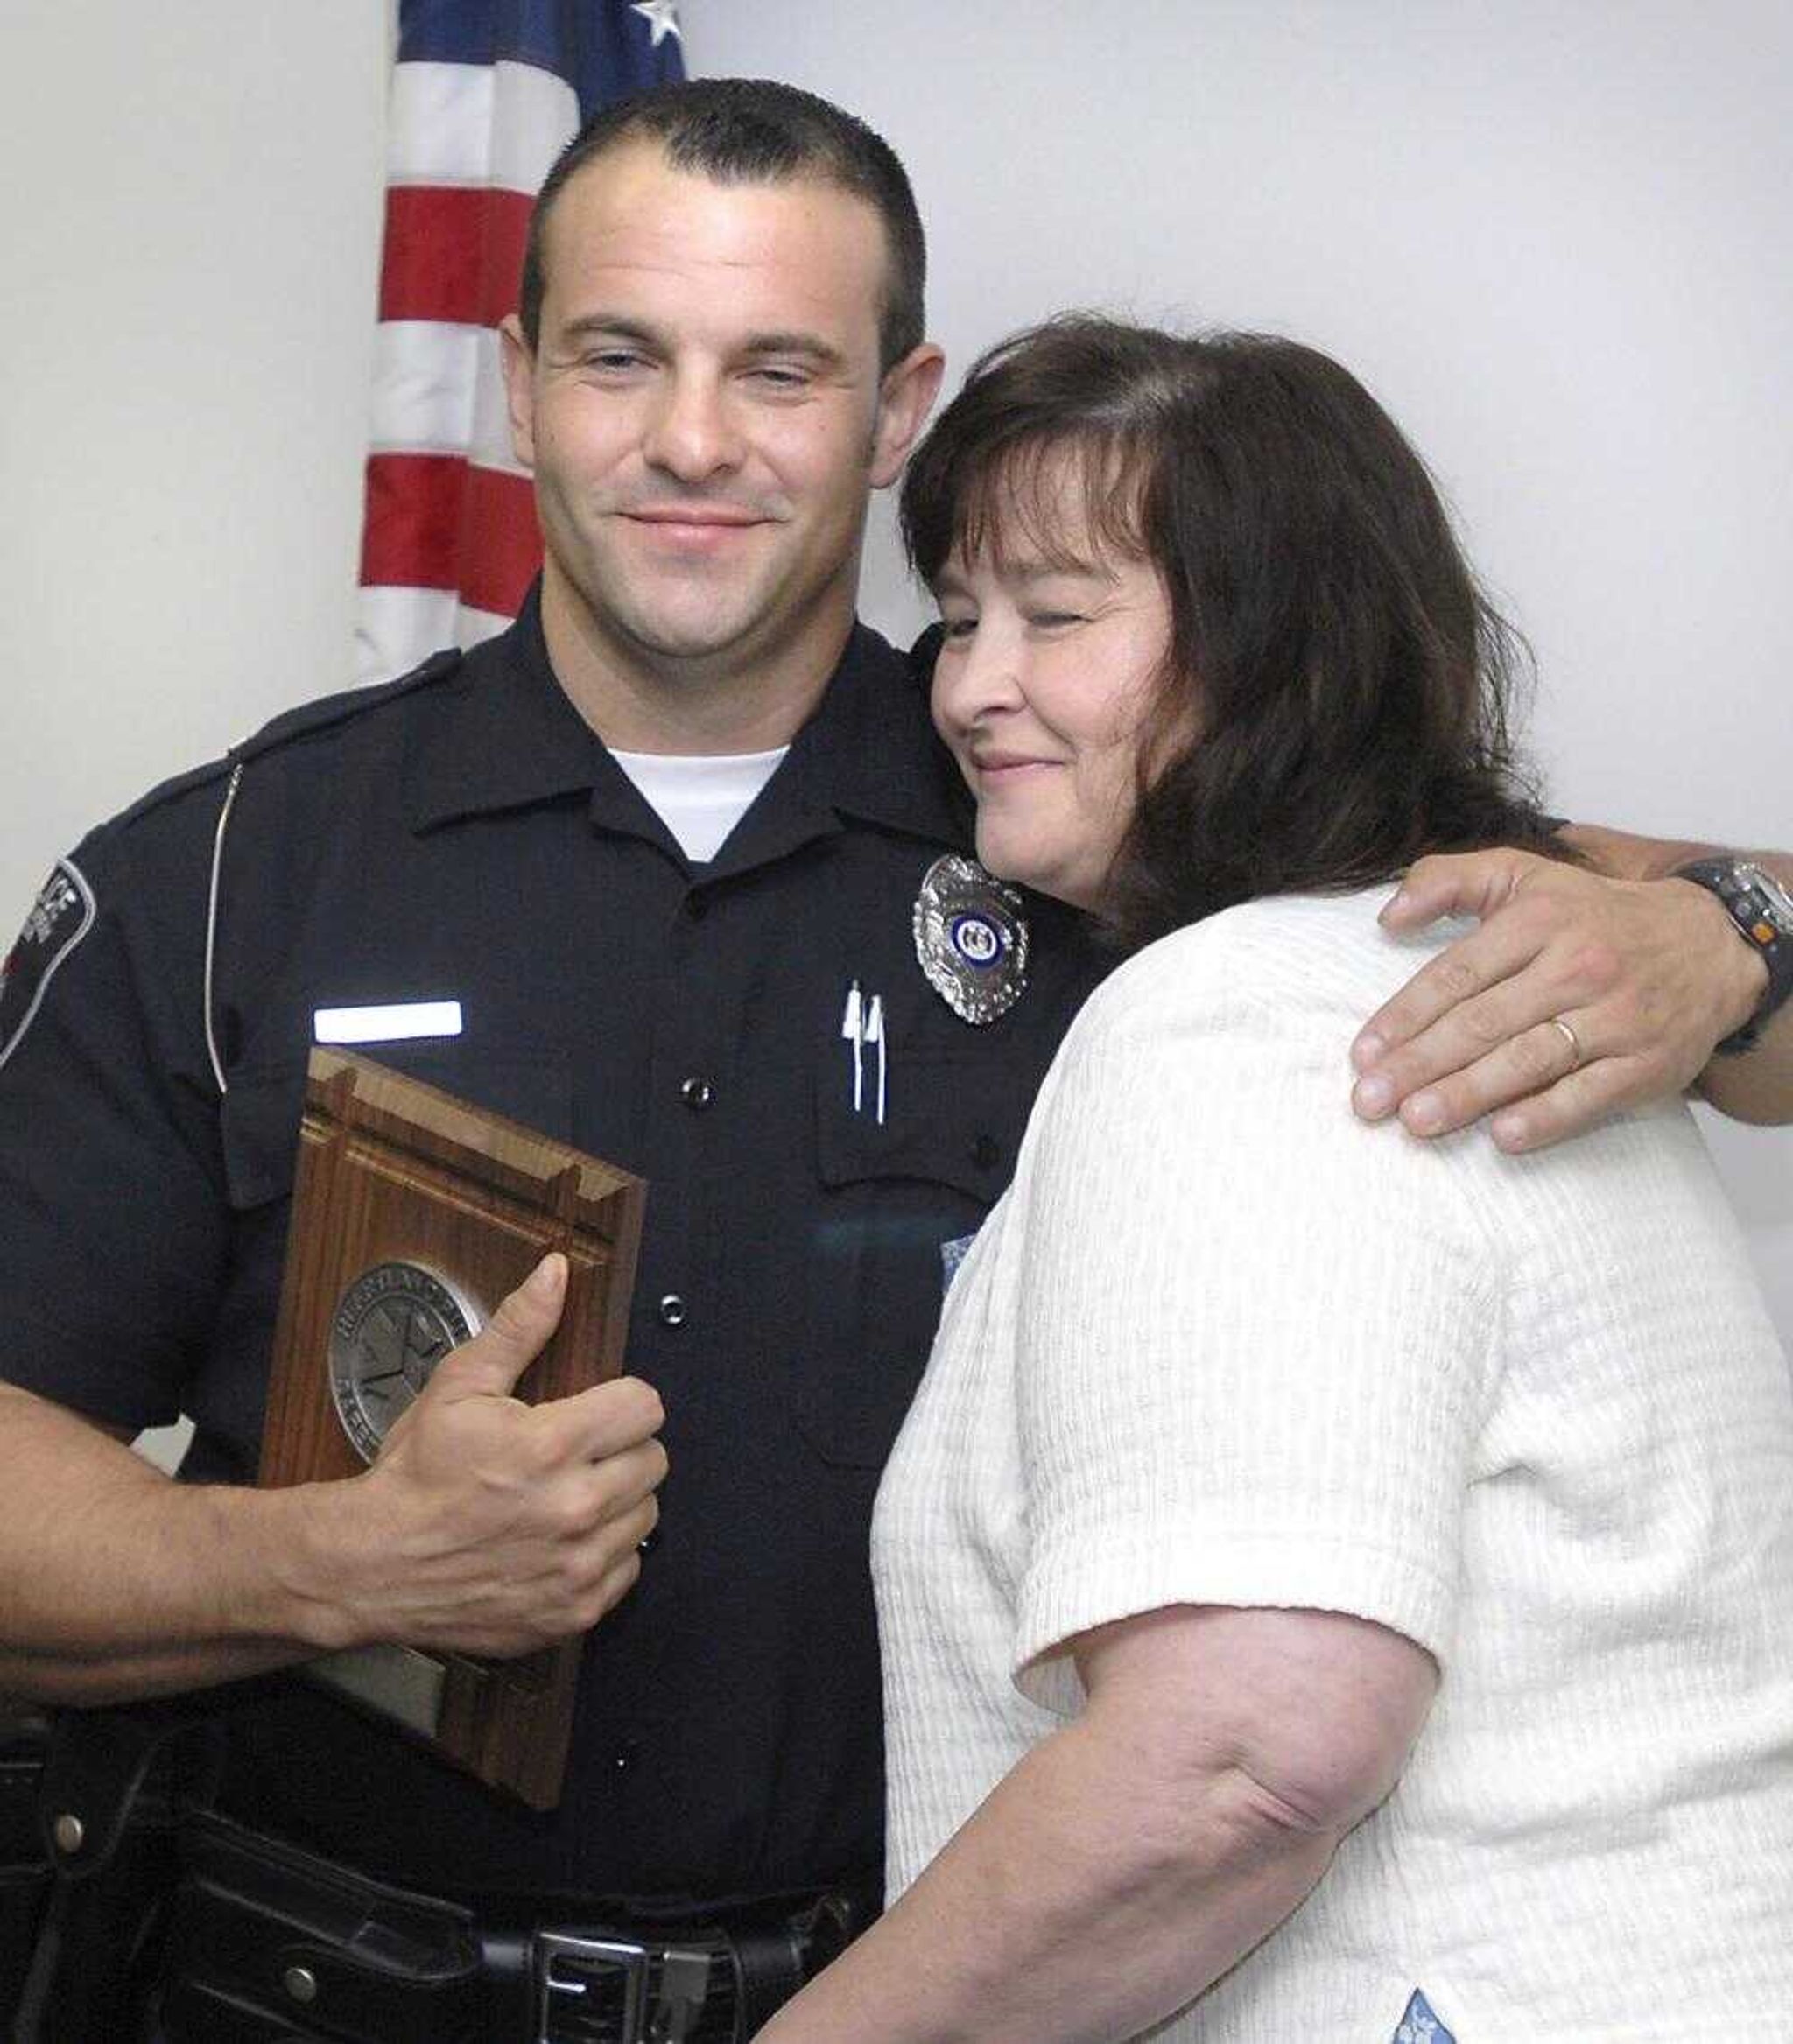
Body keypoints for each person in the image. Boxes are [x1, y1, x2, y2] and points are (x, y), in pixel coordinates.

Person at [0, 78, 1785, 2040]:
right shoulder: (237, 869)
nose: (692, 439)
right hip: (318, 1983)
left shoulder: (1096, 815)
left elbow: (1485, 884)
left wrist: (1735, 934)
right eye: (619, 358)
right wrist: (333, 1564)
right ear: (515, 388)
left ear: (897, 406)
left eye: (778, 369)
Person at [756, 319, 1793, 2043]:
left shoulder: (1233, 1014)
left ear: (1265, 648)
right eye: (957, 615)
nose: (964, 684)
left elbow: (1246, 1751)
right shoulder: (1520, 969)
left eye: (1056, 615)